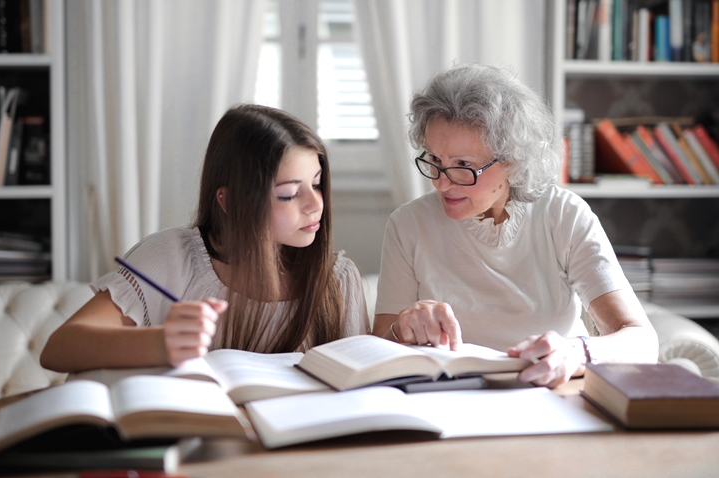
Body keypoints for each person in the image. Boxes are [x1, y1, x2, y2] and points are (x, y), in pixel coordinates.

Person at [372, 63, 658, 388]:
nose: (441, 183)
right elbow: (377, 347)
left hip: (554, 394)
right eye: (435, 160)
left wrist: (575, 352)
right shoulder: (408, 225)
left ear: (512, 160)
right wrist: (402, 329)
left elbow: (641, 341)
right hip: (450, 399)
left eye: (463, 166)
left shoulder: (563, 216)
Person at [41, 104, 370, 373]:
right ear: (230, 202)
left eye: (316, 183)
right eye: (288, 194)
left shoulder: (337, 280)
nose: (316, 204)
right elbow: (60, 348)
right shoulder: (172, 258)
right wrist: (160, 343)